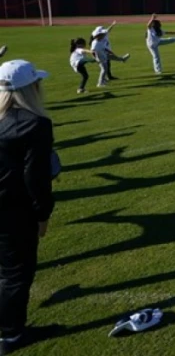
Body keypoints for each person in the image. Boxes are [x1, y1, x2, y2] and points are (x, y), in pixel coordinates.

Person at [0, 60, 55, 355]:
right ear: (30, 88)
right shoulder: (36, 124)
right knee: (16, 274)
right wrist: (42, 215)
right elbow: (36, 178)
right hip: (12, 211)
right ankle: (11, 335)